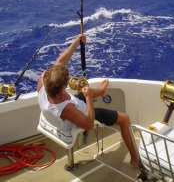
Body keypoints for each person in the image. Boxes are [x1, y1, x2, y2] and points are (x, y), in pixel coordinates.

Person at [37, 34, 138, 168]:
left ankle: (101, 92)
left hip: (56, 115)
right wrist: (89, 97)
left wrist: (77, 42)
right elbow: (89, 125)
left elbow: (60, 62)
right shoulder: (67, 109)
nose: (70, 79)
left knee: (82, 92)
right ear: (62, 88)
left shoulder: (44, 79)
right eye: (68, 79)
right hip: (79, 116)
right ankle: (135, 159)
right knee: (124, 119)